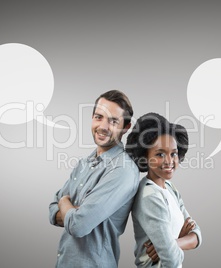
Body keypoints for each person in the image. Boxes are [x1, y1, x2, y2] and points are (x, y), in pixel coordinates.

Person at [48, 90, 140, 267]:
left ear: (126, 127)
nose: (103, 126)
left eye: (113, 121)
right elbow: (52, 210)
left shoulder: (124, 170)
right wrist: (72, 212)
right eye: (99, 117)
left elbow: (78, 225)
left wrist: (65, 203)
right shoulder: (84, 163)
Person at [126, 112, 202, 268]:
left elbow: (197, 234)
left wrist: (173, 243)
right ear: (145, 157)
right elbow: (172, 260)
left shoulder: (169, 188)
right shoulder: (149, 196)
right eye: (160, 154)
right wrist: (172, 247)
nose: (169, 161)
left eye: (173, 153)